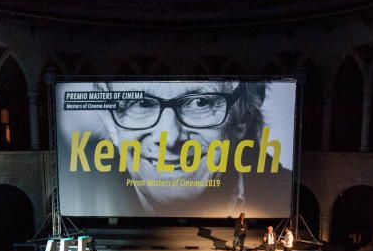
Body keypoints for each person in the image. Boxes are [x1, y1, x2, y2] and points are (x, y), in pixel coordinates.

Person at [59, 81, 294, 217]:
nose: (170, 138)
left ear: (242, 116)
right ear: (109, 120)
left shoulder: (283, 192)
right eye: (141, 103)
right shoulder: (88, 192)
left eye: (200, 102)